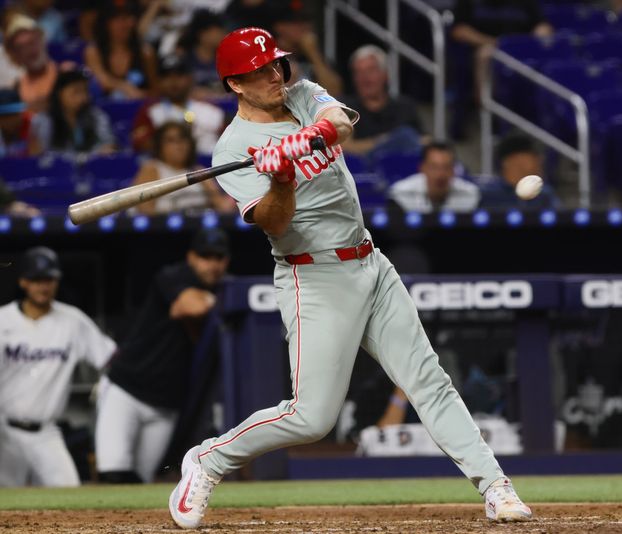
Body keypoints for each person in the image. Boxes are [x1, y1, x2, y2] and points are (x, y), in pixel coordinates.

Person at [167, 27, 532, 529]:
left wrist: (303, 140)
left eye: (277, 64)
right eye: (262, 70)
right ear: (235, 83)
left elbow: (339, 123)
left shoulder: (300, 92)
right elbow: (273, 223)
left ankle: (495, 486)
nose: (276, 74)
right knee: (311, 417)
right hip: (313, 277)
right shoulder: (232, 148)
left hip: (370, 262)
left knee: (429, 379)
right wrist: (280, 177)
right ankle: (208, 460)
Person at [95, 229, 230, 483]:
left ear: (226, 261)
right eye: (205, 256)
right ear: (191, 257)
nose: (211, 264)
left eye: (218, 257)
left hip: (166, 404)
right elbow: (188, 306)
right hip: (127, 390)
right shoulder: (174, 275)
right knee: (114, 472)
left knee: (142, 480)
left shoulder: (224, 286)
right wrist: (218, 300)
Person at [0, 247, 116, 486]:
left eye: (49, 279)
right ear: (23, 282)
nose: (43, 286)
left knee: (69, 489)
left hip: (46, 433)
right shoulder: (3, 320)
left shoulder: (72, 321)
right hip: (4, 431)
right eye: (36, 280)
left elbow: (111, 358)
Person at [130, 121, 234, 215]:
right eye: (171, 140)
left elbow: (223, 207)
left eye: (183, 139)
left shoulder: (198, 170)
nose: (179, 145)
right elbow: (145, 210)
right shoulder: (152, 168)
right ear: (159, 145)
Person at [131, 55, 225, 156]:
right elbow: (139, 143)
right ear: (159, 81)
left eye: (179, 75)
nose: (173, 81)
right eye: (167, 76)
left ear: (190, 78)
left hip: (212, 166)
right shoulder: (150, 112)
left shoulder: (211, 110)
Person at [340, 45, 423, 158]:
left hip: (401, 170)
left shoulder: (405, 107)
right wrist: (385, 141)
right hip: (363, 171)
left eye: (371, 70)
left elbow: (423, 141)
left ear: (385, 74)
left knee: (406, 135)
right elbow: (344, 147)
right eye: (358, 72)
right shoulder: (345, 108)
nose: (365, 78)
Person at [29, 69, 115, 157]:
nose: (82, 97)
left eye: (85, 91)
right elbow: (40, 156)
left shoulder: (97, 116)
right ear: (60, 93)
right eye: (76, 92)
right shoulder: (43, 120)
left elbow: (108, 146)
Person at [83, 1, 158, 100]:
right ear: (107, 23)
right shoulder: (93, 51)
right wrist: (125, 87)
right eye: (120, 19)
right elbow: (102, 80)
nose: (126, 24)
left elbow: (156, 90)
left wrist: (141, 95)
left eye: (129, 18)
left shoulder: (146, 53)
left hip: (139, 108)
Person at [271, 3, 344, 96]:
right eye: (295, 23)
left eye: (306, 21)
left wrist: (313, 54)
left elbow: (335, 92)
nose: (303, 27)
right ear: (279, 27)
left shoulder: (313, 53)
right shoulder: (270, 56)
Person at [388, 141, 480, 213]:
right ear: (422, 168)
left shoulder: (469, 194)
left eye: (446, 167)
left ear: (453, 170)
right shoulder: (401, 193)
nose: (440, 174)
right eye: (434, 167)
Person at [480, 133, 559, 208]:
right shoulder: (488, 195)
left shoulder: (544, 196)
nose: (540, 160)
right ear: (510, 160)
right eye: (533, 155)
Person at [3, 13, 60, 112]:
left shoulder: (66, 73)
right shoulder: (16, 88)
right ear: (14, 54)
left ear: (42, 41)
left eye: (32, 42)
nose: (29, 50)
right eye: (21, 47)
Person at [174, 10, 227, 99]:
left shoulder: (225, 60)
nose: (222, 34)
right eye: (217, 31)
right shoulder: (184, 61)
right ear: (202, 34)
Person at [0, 88, 33, 157]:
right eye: (4, 116)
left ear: (21, 113)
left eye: (13, 114)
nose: (9, 121)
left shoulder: (32, 128)